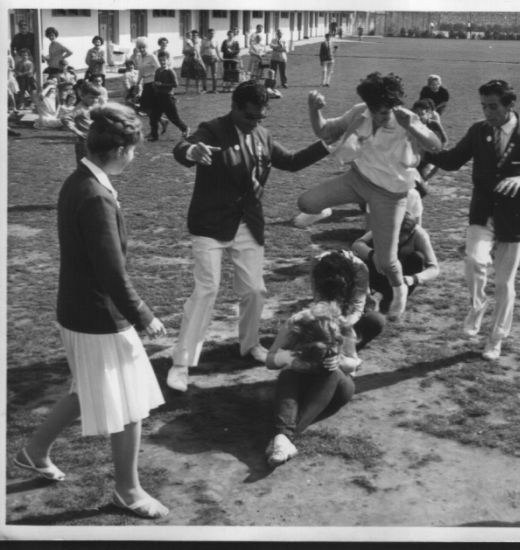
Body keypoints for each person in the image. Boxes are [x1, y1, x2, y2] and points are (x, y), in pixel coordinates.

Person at [13, 103, 169, 519]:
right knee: (130, 402)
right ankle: (128, 491)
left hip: (78, 309)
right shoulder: (96, 195)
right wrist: (144, 315)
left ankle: (33, 450)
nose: (134, 157)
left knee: (87, 390)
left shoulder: (79, 179)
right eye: (133, 150)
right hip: (100, 315)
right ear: (119, 150)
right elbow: (111, 271)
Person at [167, 81, 330, 392]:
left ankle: (250, 344)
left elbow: (292, 162)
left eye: (261, 117)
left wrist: (327, 146)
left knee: (255, 291)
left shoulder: (262, 135)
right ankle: (181, 363)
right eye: (251, 116)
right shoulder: (213, 129)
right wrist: (191, 150)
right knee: (207, 289)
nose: (256, 122)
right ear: (235, 107)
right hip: (211, 225)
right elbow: (182, 150)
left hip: (248, 224)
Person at [423, 79, 520, 360]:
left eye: (493, 106)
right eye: (483, 106)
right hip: (482, 212)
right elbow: (452, 160)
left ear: (510, 105)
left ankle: (496, 338)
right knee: (473, 259)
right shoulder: (478, 131)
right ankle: (476, 307)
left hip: (514, 218)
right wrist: (421, 140)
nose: (487, 113)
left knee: (505, 283)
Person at [295, 72, 442, 320]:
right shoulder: (360, 111)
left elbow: (436, 145)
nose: (379, 116)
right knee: (306, 203)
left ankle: (399, 290)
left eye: (385, 112)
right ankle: (325, 210)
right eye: (375, 111)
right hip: (357, 180)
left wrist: (414, 127)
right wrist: (313, 108)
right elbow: (324, 130)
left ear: (395, 105)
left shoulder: (407, 118)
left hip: (390, 195)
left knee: (385, 260)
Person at [265, 251, 385, 466]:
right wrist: (289, 358)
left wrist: (340, 361)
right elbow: (270, 360)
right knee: (287, 375)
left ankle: (284, 436)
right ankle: (283, 439)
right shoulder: (297, 321)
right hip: (302, 382)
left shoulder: (342, 325)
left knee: (331, 371)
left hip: (337, 387)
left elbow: (355, 364)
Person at [352, 212, 439, 314]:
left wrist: (414, 278)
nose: (395, 240)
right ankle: (374, 294)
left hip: (402, 274)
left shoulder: (420, 235)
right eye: (392, 235)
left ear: (411, 233)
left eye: (399, 237)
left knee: (417, 259)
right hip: (379, 268)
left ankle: (381, 296)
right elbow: (357, 244)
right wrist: (373, 255)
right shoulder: (384, 227)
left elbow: (434, 268)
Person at [147, 51, 189, 142]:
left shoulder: (170, 71)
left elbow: (175, 84)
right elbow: (156, 82)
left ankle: (185, 129)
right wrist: (155, 85)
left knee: (174, 117)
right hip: (158, 97)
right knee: (153, 117)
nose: (162, 62)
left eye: (164, 60)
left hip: (167, 97)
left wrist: (162, 84)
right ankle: (154, 136)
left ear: (168, 60)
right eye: (161, 60)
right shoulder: (158, 71)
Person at [412, 98, 448, 195]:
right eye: (416, 114)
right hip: (414, 159)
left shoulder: (434, 124)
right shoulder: (411, 126)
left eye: (422, 114)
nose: (419, 117)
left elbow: (444, 140)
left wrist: (437, 152)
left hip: (427, 160)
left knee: (422, 186)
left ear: (429, 114)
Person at [61, 81, 102, 163]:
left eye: (97, 97)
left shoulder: (90, 107)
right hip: (83, 143)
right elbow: (65, 118)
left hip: (93, 140)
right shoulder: (80, 108)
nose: (95, 100)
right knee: (84, 167)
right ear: (82, 96)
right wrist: (78, 132)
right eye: (92, 97)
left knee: (94, 166)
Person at [131, 37, 159, 119]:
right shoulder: (139, 58)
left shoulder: (152, 56)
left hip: (153, 81)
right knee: (146, 105)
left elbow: (158, 69)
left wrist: (156, 79)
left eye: (143, 47)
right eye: (140, 47)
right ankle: (161, 121)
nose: (142, 49)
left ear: (146, 47)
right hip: (145, 82)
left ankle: (159, 120)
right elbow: (140, 71)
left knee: (146, 104)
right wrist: (137, 82)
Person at [200, 29, 221, 93]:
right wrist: (200, 58)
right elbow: (201, 50)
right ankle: (204, 89)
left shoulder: (216, 40)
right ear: (207, 33)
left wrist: (219, 57)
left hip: (214, 58)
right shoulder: (204, 41)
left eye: (213, 33)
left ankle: (214, 89)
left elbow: (217, 50)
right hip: (206, 57)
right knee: (204, 74)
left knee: (214, 74)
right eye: (211, 33)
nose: (212, 35)